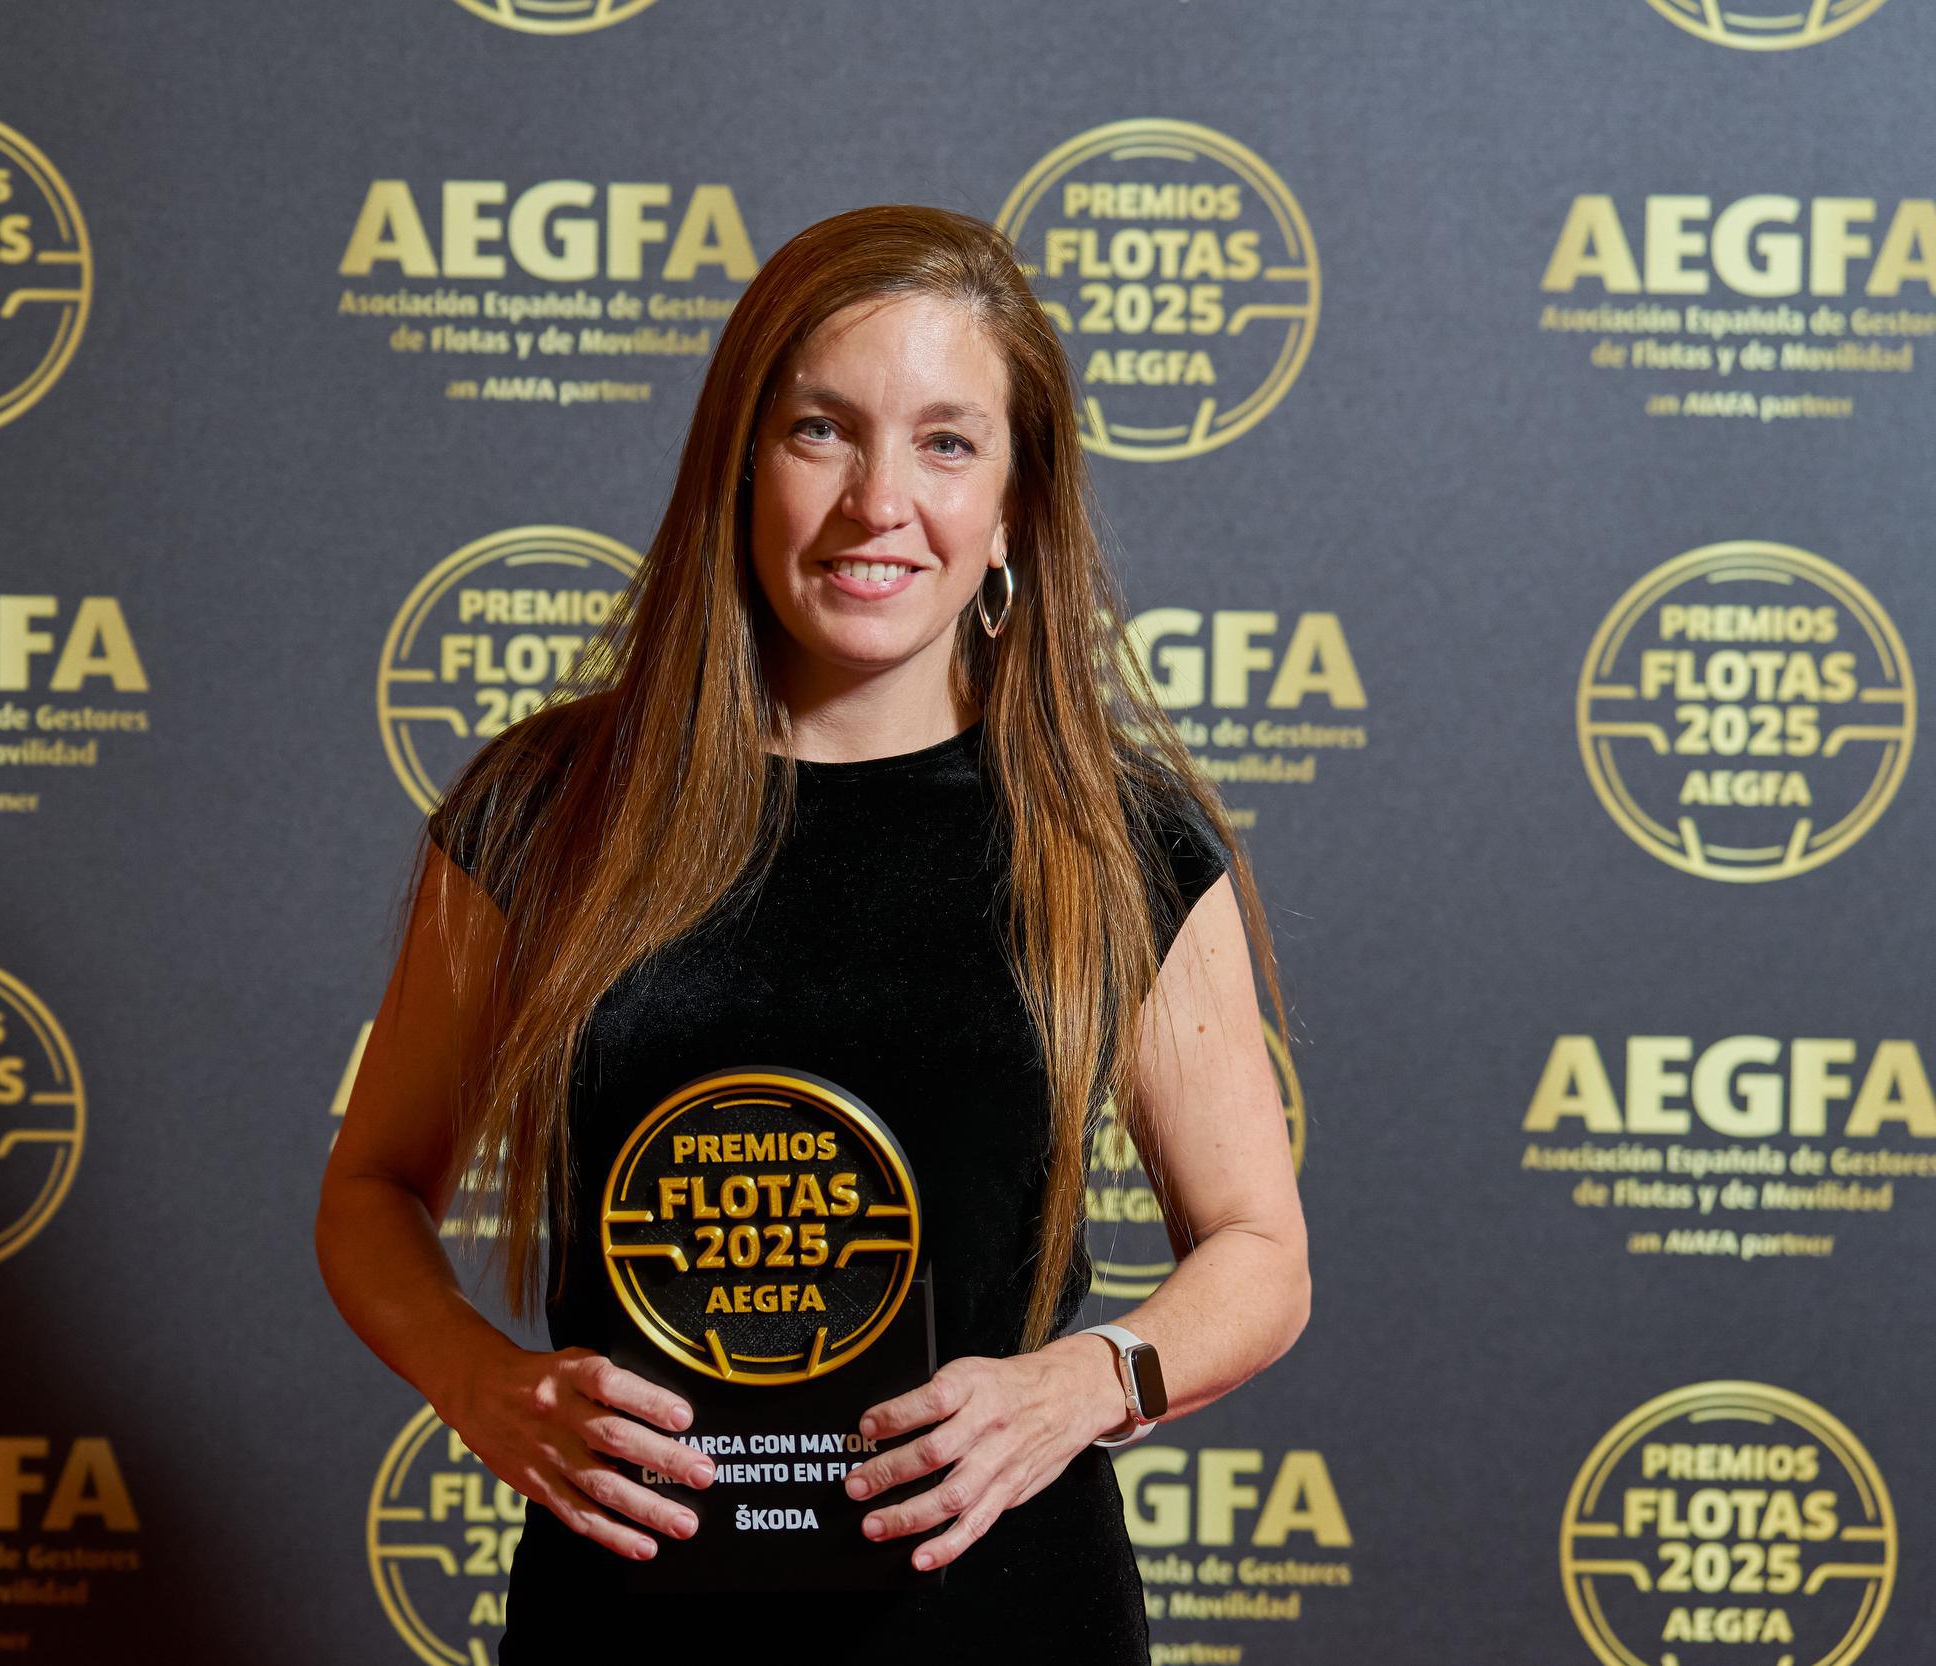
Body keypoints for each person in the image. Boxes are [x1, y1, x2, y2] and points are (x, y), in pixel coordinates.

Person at [316, 204, 1309, 1662]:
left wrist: (1087, 1382)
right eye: (821, 431)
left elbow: (1261, 1250)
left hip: (1002, 1624)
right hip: (630, 1626)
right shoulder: (547, 808)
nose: (877, 502)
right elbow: (369, 1191)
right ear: (738, 462)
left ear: (1017, 505)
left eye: (947, 443)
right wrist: (479, 1380)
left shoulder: (1111, 837)